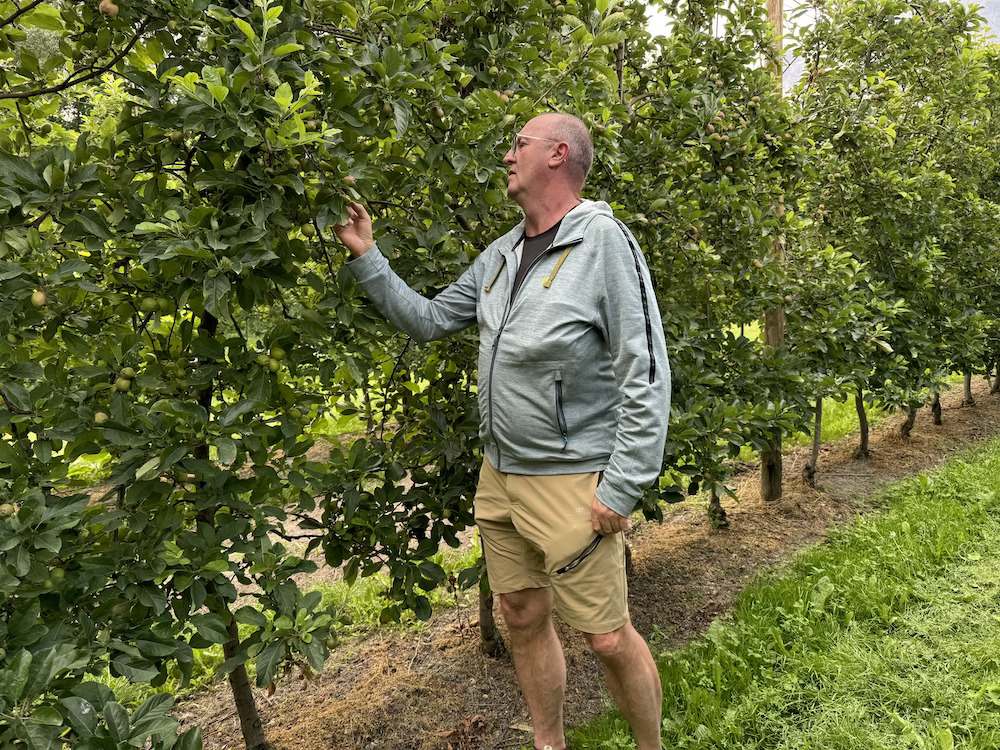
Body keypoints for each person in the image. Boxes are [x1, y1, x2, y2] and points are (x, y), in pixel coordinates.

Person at [334, 112, 669, 750]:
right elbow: (431, 320)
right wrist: (367, 255)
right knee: (520, 615)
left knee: (605, 634)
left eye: (520, 144)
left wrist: (622, 486)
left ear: (558, 154)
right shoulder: (504, 253)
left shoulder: (604, 243)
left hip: (574, 479)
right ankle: (550, 744)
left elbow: (645, 369)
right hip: (501, 478)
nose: (508, 155)